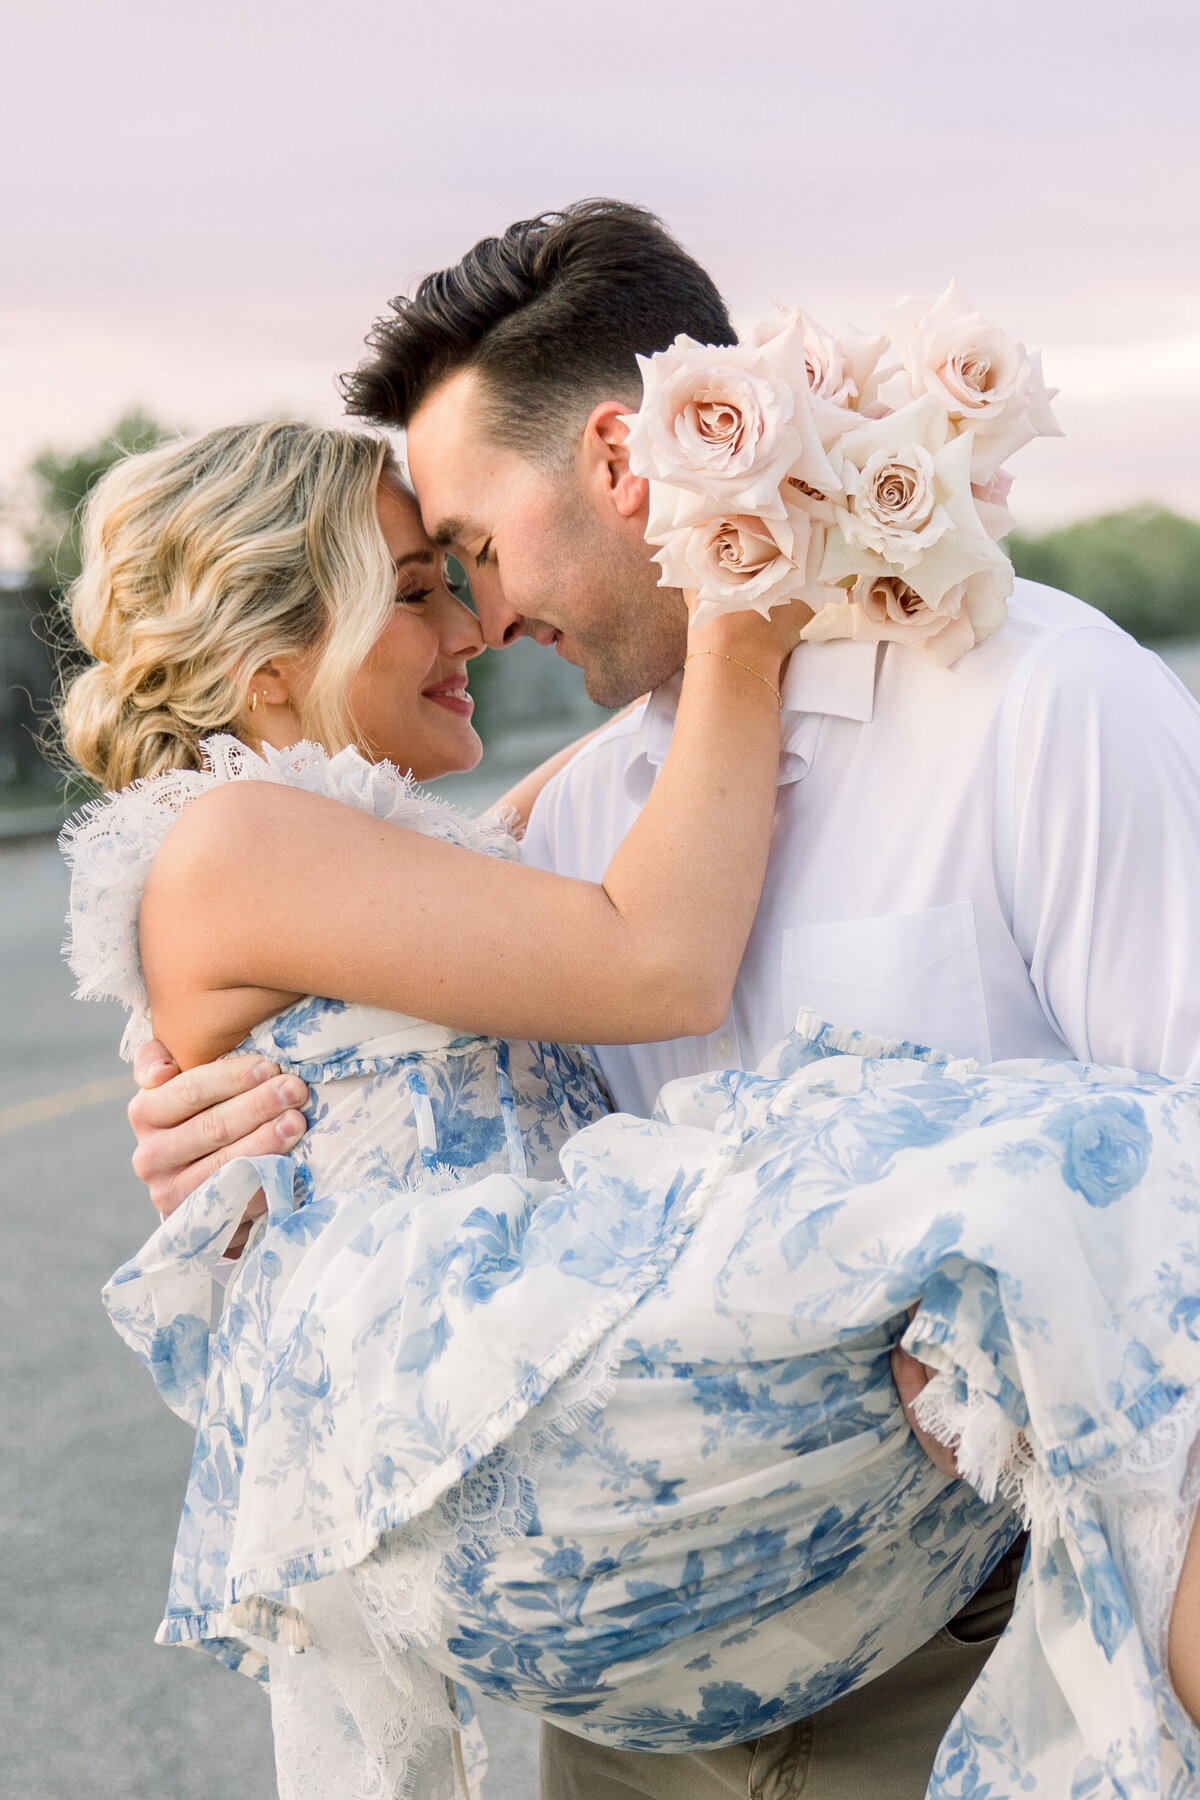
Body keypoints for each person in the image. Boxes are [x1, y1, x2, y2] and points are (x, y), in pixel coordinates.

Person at [113, 203, 1200, 1800]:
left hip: (959, 1683)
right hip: (624, 1731)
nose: (478, 622)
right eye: (428, 584)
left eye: (471, 554)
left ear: (625, 465)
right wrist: (235, 1141)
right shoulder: (582, 821)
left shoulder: (1043, 704)